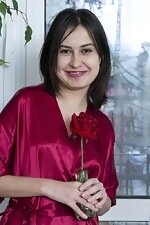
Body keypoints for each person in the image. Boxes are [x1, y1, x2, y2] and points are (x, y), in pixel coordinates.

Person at [0, 8, 118, 225]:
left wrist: (101, 199)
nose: (75, 62)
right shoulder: (25, 103)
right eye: (65, 51)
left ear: (100, 56)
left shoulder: (104, 125)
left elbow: (107, 200)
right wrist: (52, 188)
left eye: (86, 51)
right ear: (52, 56)